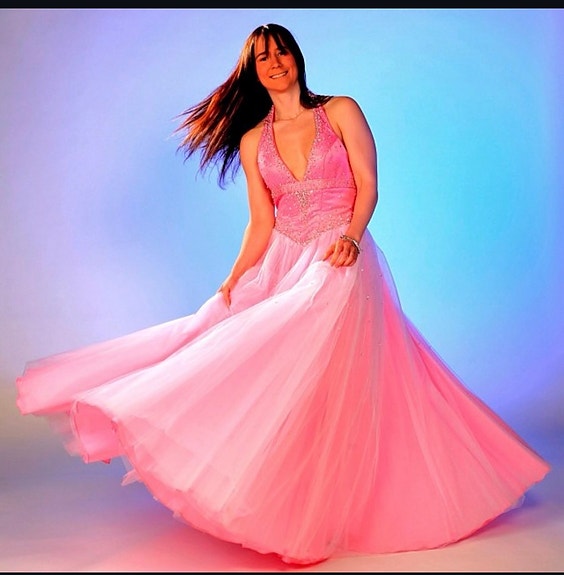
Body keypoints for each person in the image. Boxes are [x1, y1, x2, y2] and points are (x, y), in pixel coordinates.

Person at [16, 23, 550, 566]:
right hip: (283, 259)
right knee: (270, 368)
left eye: (282, 52)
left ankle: (331, 516)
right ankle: (290, 505)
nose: (275, 63)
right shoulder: (253, 140)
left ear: (297, 57)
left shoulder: (340, 111)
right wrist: (233, 278)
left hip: (340, 254)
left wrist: (350, 238)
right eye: (263, 58)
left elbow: (368, 184)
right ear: (253, 71)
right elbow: (260, 221)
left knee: (318, 351)